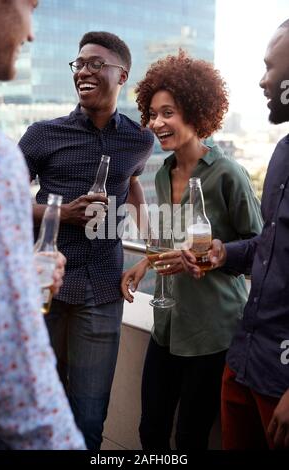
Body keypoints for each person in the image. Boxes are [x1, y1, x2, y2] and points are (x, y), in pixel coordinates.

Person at [19, 31, 154, 450]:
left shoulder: (140, 139)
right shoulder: (42, 134)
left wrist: (148, 240)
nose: (83, 71)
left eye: (96, 63)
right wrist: (61, 213)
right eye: (79, 64)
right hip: (45, 291)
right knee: (40, 407)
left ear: (122, 75)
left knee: (90, 416)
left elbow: (131, 181)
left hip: (102, 291)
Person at [121, 50, 263, 450]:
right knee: (150, 431)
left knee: (189, 439)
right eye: (152, 113)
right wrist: (143, 264)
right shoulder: (164, 172)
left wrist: (214, 256)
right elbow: (171, 241)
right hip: (167, 327)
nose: (156, 123)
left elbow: (259, 252)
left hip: (212, 333)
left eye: (168, 113)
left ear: (195, 113)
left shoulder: (228, 175)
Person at [0, 0, 85, 449]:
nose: (31, 33)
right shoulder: (1, 155)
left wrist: (14, 274)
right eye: (30, 5)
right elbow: (16, 371)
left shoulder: (137, 140)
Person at [197, 19, 289, 450]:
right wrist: (224, 254)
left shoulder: (229, 171)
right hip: (245, 363)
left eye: (270, 67)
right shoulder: (282, 153)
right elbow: (269, 248)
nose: (262, 79)